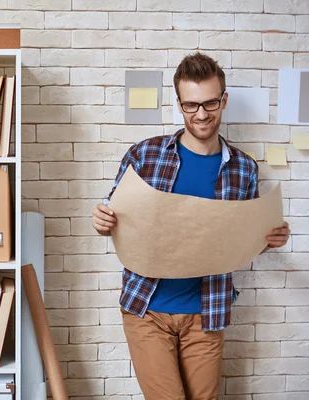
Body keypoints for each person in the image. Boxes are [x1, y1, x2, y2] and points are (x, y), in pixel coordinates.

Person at [92, 52, 290, 400]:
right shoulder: (145, 155)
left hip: (207, 310)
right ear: (179, 103)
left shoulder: (244, 168)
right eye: (191, 105)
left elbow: (243, 240)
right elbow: (114, 215)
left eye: (210, 103)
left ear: (224, 100)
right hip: (146, 307)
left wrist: (269, 238)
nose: (201, 114)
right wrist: (102, 220)